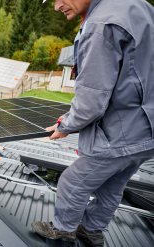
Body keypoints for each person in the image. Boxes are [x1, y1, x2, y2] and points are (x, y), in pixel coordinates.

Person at [32, 0, 154, 246]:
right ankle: (92, 229)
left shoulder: (101, 24)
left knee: (72, 182)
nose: (56, 6)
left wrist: (65, 125)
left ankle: (63, 229)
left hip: (119, 133)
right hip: (146, 132)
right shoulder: (138, 6)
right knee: (112, 185)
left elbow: (91, 101)